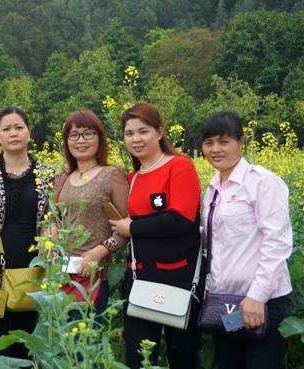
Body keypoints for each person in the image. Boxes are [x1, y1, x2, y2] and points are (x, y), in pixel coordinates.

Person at [110, 103, 202, 369]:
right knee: (139, 358)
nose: (136, 139)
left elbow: (181, 219)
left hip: (178, 278)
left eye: (143, 131)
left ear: (159, 132)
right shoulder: (133, 176)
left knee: (182, 356)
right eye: (129, 134)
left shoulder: (179, 166)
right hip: (139, 278)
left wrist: (133, 228)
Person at [200, 111, 293, 369]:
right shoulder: (212, 188)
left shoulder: (262, 182)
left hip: (261, 302)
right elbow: (213, 240)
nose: (215, 149)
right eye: (209, 143)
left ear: (242, 142)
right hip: (226, 304)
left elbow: (277, 244)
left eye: (223, 141)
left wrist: (257, 296)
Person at [0, 107, 54, 359]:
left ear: (29, 132)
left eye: (19, 127)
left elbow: (53, 220)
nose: (13, 133)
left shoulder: (47, 175)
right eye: (6, 129)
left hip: (34, 274)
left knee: (31, 350)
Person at [55, 110, 129, 315]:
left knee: (82, 343)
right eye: (74, 135)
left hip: (92, 276)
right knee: (60, 343)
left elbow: (124, 228)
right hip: (59, 276)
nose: (81, 140)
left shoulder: (113, 175)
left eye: (88, 134)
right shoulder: (63, 176)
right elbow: (53, 218)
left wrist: (100, 251)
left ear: (99, 138)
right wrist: (49, 239)